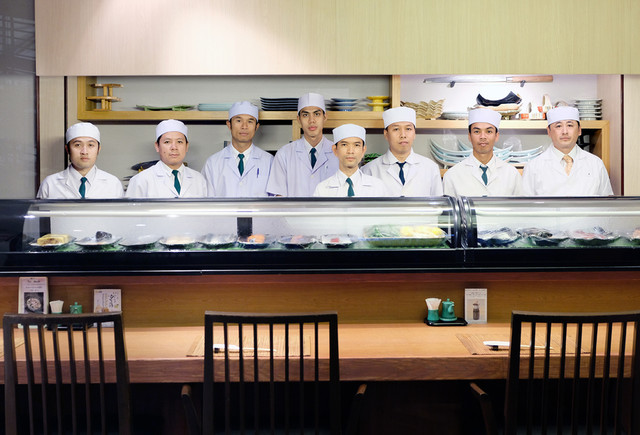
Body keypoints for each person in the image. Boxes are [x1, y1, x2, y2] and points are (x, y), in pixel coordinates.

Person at [522, 106, 613, 196]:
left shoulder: (596, 164)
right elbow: (524, 204)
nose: (565, 132)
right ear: (549, 131)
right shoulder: (533, 167)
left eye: (570, 125)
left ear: (579, 130)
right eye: (558, 126)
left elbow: (607, 202)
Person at [266, 93, 338, 196]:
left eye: (317, 114)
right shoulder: (284, 154)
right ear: (299, 119)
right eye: (305, 115)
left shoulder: (338, 154)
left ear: (325, 117)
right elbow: (279, 197)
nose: (311, 120)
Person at [361, 106, 442, 197]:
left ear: (414, 133)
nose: (403, 135)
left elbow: (439, 204)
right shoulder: (369, 170)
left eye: (408, 129)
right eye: (396, 129)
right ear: (386, 134)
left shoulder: (430, 168)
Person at [443, 108, 522, 197]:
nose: (483, 137)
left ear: (496, 136)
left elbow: (520, 205)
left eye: (489, 131)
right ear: (469, 136)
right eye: (477, 131)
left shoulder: (512, 174)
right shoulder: (452, 175)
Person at [201, 101, 273, 197]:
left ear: (256, 127)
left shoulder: (269, 161)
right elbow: (206, 201)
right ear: (229, 125)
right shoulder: (213, 163)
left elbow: (276, 200)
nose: (244, 126)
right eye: (239, 121)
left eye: (250, 121)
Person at [37, 122, 124, 199]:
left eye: (90, 145)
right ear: (67, 149)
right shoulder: (50, 184)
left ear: (98, 149)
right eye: (77, 145)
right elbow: (39, 212)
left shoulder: (113, 183)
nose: (84, 152)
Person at [125, 119, 208, 198]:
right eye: (167, 142)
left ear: (186, 146)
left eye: (179, 142)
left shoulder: (199, 179)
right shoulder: (140, 180)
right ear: (157, 146)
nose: (174, 147)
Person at [313, 124, 388, 197]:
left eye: (356, 145)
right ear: (335, 150)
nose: (350, 151)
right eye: (344, 145)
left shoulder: (378, 187)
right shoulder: (322, 189)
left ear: (363, 150)